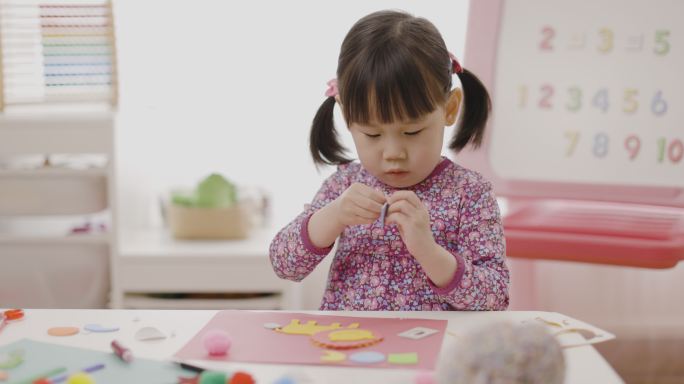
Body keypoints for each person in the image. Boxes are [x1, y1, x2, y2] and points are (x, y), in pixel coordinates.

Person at [269, 10, 509, 310]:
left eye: (411, 131)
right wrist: (333, 217)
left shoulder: (469, 194)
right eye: (372, 135)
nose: (393, 152)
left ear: (449, 109)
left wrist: (429, 252)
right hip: (348, 348)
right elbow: (284, 264)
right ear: (347, 116)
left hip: (435, 352)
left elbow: (494, 298)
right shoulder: (345, 185)